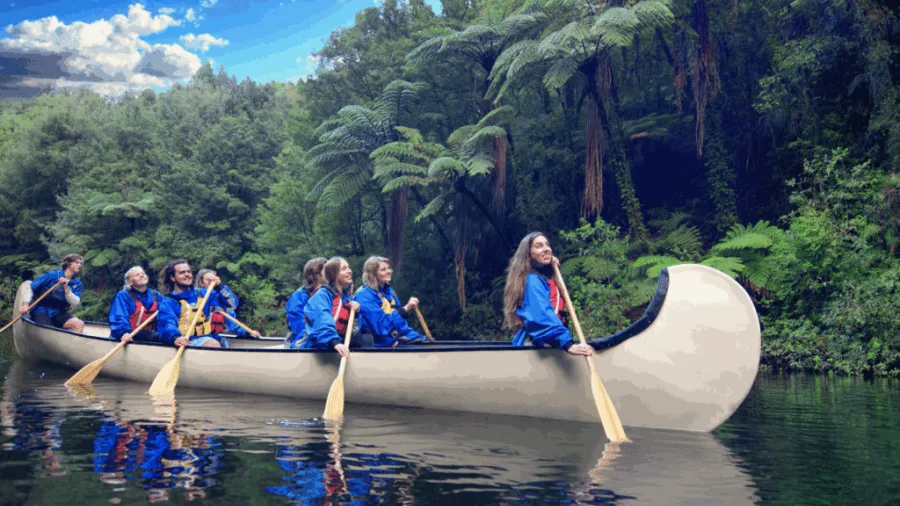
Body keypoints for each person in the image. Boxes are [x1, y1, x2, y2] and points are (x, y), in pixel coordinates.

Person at [503, 232, 593, 356]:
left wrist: (551, 264)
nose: (546, 249)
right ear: (528, 255)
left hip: (550, 339)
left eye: (547, 245)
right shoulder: (532, 281)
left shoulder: (544, 277)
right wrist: (567, 344)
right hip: (536, 342)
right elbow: (541, 316)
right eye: (539, 246)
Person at [301, 257, 372, 357]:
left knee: (367, 339)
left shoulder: (345, 297)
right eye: (343, 269)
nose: (349, 271)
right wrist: (334, 341)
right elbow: (322, 318)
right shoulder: (322, 295)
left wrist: (356, 314)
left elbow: (354, 330)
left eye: (348, 267)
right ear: (334, 274)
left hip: (337, 339)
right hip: (321, 342)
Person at [156, 259, 233, 348]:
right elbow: (166, 322)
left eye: (189, 272)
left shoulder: (204, 294)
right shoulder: (168, 302)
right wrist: (175, 337)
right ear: (173, 277)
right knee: (212, 343)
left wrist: (219, 287)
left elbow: (231, 304)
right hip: (185, 342)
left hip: (206, 338)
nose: (187, 274)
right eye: (182, 272)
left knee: (217, 342)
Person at [354, 256, 426, 348]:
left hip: (392, 337)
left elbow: (400, 325)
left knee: (421, 340)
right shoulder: (364, 295)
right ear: (373, 274)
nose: (388, 271)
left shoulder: (389, 292)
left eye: (388, 268)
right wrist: (405, 309)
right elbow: (380, 327)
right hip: (376, 342)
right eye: (383, 269)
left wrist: (417, 337)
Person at [19, 254, 85, 333]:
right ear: (69, 263)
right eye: (77, 262)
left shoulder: (77, 284)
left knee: (79, 324)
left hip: (58, 312)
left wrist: (66, 288)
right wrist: (26, 305)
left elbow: (75, 302)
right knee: (47, 329)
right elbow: (31, 288)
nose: (80, 265)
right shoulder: (52, 275)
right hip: (41, 310)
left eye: (81, 263)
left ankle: (72, 344)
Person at [195, 269, 260, 339]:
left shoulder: (220, 294)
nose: (212, 282)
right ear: (201, 283)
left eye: (214, 279)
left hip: (216, 336)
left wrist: (246, 332)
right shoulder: (195, 293)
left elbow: (233, 305)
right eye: (208, 280)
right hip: (198, 336)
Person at [108, 266, 162, 343]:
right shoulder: (123, 296)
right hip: (128, 335)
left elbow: (165, 317)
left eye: (143, 273)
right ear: (130, 282)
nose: (142, 275)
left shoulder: (156, 296)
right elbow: (119, 316)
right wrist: (124, 333)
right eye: (137, 275)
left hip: (148, 335)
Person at [285, 257, 327, 348]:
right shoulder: (298, 297)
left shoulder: (329, 294)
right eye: (326, 271)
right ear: (316, 275)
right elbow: (299, 327)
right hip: (298, 344)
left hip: (322, 342)